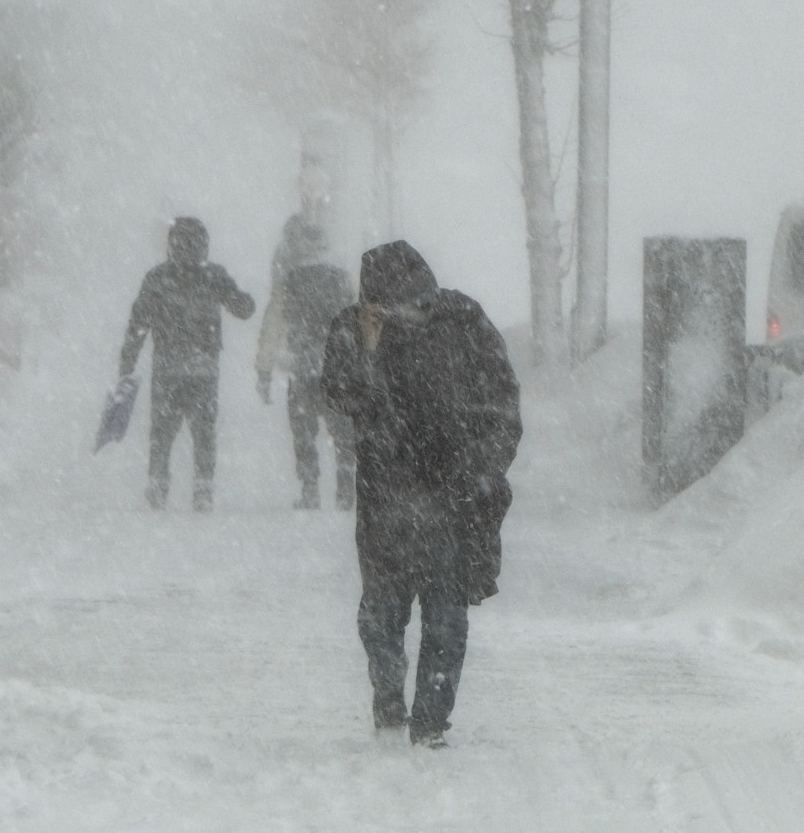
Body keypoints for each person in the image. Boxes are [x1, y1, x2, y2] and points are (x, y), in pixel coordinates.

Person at [321, 240, 520, 747]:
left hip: (452, 495)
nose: (400, 316)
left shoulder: (461, 320)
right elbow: (342, 395)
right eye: (385, 306)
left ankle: (431, 722)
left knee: (446, 618)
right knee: (381, 616)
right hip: (385, 494)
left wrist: (482, 469)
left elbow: (501, 400)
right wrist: (367, 347)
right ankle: (389, 699)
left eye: (408, 304)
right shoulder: (354, 327)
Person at [117, 217, 255, 511]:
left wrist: (127, 362)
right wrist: (245, 299)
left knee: (162, 432)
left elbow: (138, 323)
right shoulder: (214, 276)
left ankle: (157, 484)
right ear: (204, 245)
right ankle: (203, 488)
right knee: (203, 431)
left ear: (172, 245)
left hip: (167, 368)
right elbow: (243, 309)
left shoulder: (157, 278)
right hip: (204, 368)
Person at [255, 215, 357, 511]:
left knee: (303, 429)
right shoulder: (343, 279)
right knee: (343, 432)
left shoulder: (291, 281)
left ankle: (310, 488)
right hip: (339, 368)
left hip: (304, 367)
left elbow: (273, 326)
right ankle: (345, 489)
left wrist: (264, 369)